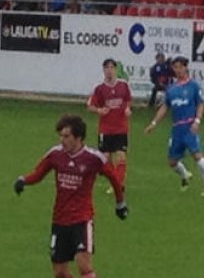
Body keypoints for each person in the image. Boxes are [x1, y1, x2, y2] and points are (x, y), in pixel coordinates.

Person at [14, 115, 128, 278]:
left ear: (78, 137)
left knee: (84, 266)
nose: (62, 140)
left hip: (82, 219)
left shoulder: (93, 158)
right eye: (61, 136)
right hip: (59, 219)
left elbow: (114, 178)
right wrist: (24, 180)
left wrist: (120, 204)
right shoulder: (55, 154)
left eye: (66, 136)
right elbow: (39, 173)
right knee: (60, 272)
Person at [144, 56, 204, 195]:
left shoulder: (193, 86)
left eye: (180, 67)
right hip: (177, 129)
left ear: (185, 68)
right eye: (175, 67)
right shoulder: (171, 89)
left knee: (197, 155)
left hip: (189, 126)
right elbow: (165, 107)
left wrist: (197, 121)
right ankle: (185, 176)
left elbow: (200, 104)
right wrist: (153, 123)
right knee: (172, 162)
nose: (178, 70)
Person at [88, 59, 133, 191]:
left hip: (121, 128)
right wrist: (99, 110)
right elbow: (90, 106)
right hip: (105, 129)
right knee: (104, 159)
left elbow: (128, 100)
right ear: (103, 70)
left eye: (112, 67)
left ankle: (117, 184)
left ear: (115, 69)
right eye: (107, 68)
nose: (109, 70)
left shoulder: (123, 85)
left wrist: (127, 108)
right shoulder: (99, 88)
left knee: (120, 156)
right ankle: (115, 179)